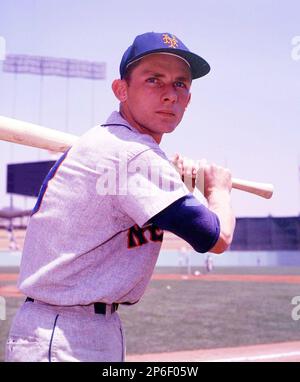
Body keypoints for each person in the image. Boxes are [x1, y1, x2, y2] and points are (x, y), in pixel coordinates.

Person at [5, 32, 235, 362]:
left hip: (74, 326)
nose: (169, 94)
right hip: (66, 334)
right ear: (121, 89)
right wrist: (220, 191)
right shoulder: (130, 154)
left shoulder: (115, 145)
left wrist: (177, 183)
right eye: (153, 79)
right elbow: (216, 236)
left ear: (189, 98)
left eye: (180, 84)